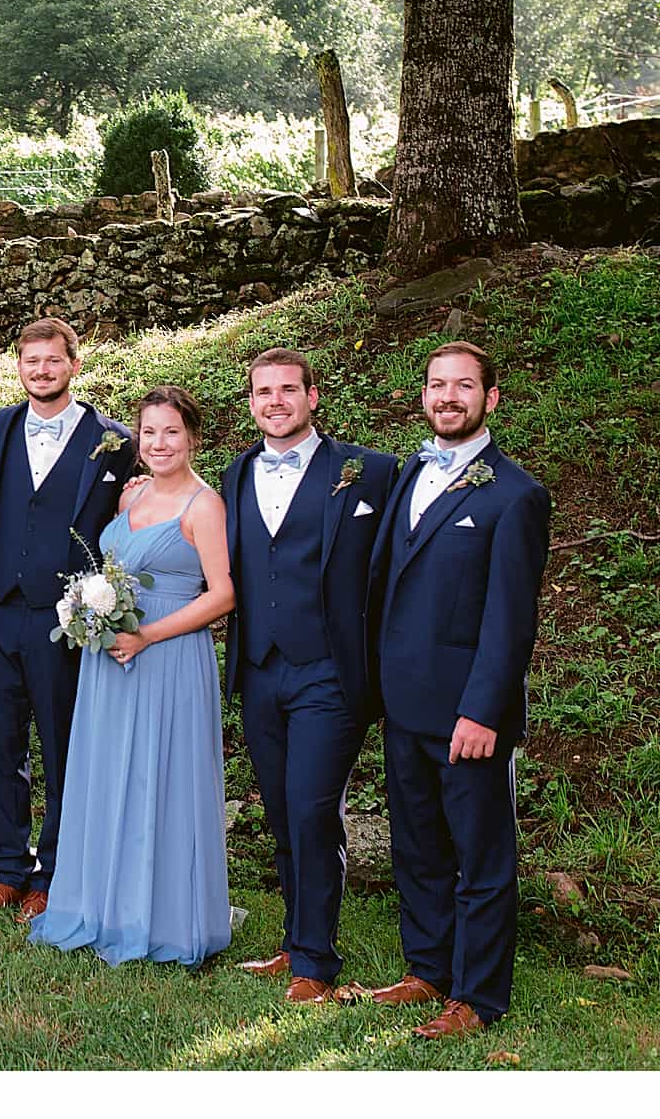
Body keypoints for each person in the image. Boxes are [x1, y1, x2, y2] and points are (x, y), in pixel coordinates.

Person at [356, 343, 550, 1039]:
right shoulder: (411, 471)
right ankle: (426, 970)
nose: (448, 397)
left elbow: (510, 619)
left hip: (469, 714)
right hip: (403, 705)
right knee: (418, 848)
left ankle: (479, 997)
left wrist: (484, 710)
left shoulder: (515, 495)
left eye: (463, 386)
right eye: (437, 384)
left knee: (482, 857)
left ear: (490, 399)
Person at [31, 383, 235, 966]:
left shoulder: (205, 506)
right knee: (108, 774)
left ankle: (164, 915)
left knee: (159, 777)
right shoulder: (129, 499)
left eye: (172, 431)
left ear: (193, 436)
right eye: (149, 432)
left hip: (167, 658)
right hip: (110, 662)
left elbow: (221, 595)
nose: (159, 442)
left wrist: (147, 635)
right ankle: (103, 904)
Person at [221, 348, 398, 1000]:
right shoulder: (235, 473)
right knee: (283, 812)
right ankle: (296, 941)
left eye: (287, 390)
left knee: (314, 810)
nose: (275, 401)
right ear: (251, 402)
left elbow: (394, 569)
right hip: (261, 669)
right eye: (263, 392)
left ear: (313, 397)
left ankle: (316, 965)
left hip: (330, 671)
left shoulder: (368, 472)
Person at [0, 318, 136, 923]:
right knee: (1, 744)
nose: (42, 370)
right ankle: (8, 871)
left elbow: (133, 523)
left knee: (64, 748)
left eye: (53, 361)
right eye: (31, 361)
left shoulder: (112, 441)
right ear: (18, 367)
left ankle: (53, 872)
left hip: (68, 620)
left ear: (74, 365)